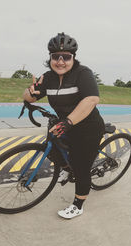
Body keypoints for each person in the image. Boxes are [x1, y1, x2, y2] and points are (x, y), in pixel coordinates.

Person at [23, 32, 105, 219]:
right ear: (50, 58)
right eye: (56, 57)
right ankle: (69, 171)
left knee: (81, 165)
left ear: (73, 58)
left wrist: (69, 121)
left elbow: (92, 99)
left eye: (66, 57)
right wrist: (29, 92)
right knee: (53, 150)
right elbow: (28, 96)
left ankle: (78, 204)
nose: (60, 61)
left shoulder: (83, 73)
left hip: (88, 127)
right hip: (64, 124)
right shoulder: (48, 77)